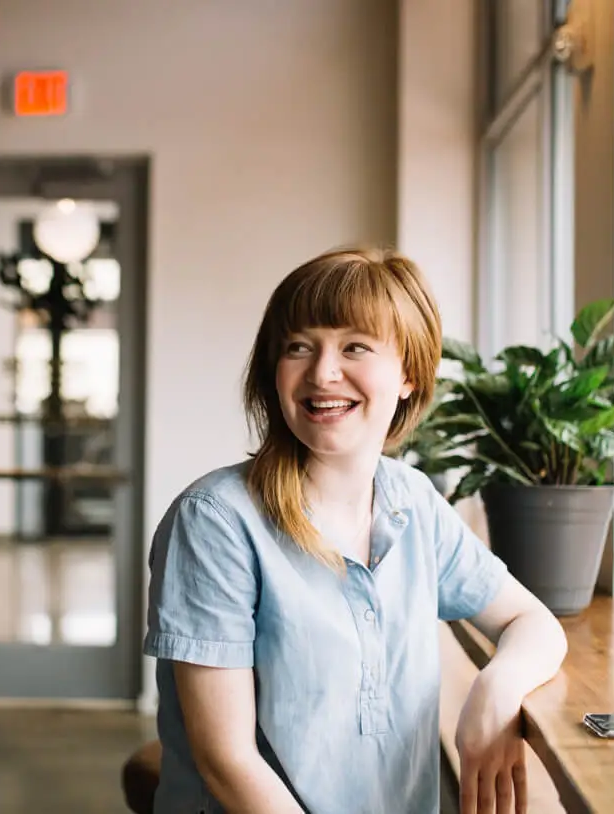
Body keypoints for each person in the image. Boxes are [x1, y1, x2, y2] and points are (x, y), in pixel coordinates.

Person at [143, 247, 568, 814]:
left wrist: (496, 687)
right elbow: (228, 762)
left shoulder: (412, 501)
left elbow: (532, 622)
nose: (322, 372)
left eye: (354, 347)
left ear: (410, 376)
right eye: (298, 346)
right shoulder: (215, 520)